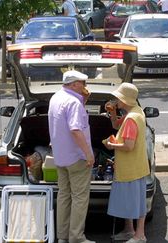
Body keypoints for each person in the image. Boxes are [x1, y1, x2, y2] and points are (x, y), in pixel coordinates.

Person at [48, 70, 95, 243]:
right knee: (80, 198)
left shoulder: (56, 97)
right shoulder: (74, 102)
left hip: (60, 156)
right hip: (77, 158)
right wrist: (89, 154)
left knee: (64, 195)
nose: (84, 86)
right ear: (74, 84)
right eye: (82, 83)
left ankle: (62, 237)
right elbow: (75, 129)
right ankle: (76, 237)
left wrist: (84, 100)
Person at [104, 83, 150, 243]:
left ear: (125, 99)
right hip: (135, 166)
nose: (116, 100)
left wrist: (111, 145)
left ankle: (140, 235)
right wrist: (112, 113)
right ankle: (130, 231)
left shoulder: (131, 119)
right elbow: (116, 125)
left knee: (136, 202)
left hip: (131, 167)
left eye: (118, 98)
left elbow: (129, 146)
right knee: (130, 200)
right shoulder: (136, 111)